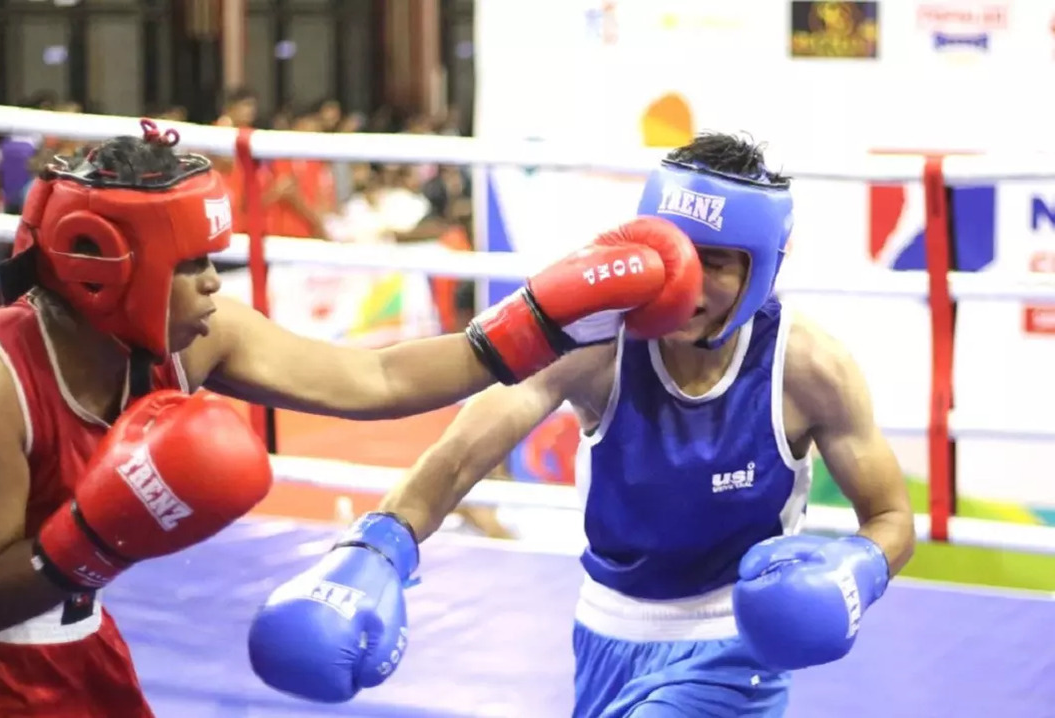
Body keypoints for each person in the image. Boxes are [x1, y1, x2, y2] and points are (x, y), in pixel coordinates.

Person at [0, 118, 703, 717]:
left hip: (80, 653)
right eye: (189, 264)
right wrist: (107, 530)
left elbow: (371, 378)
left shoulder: (191, 337)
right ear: (103, 270)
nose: (213, 285)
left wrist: (535, 324)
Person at [247, 133, 917, 717]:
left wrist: (856, 569)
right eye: (680, 251)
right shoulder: (597, 343)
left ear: (761, 268)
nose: (691, 280)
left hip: (735, 643)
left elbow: (890, 516)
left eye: (717, 263)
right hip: (605, 631)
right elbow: (462, 452)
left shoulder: (807, 367)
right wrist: (381, 544)